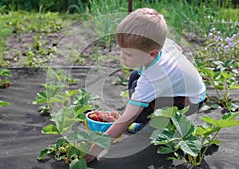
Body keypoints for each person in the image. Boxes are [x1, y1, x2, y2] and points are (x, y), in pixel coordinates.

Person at [84, 7, 206, 163]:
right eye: (122, 51)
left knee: (137, 105)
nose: (122, 57)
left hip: (190, 101)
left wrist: (94, 150)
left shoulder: (152, 79)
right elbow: (177, 48)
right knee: (135, 77)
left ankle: (156, 128)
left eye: (128, 54)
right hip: (190, 90)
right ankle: (148, 120)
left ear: (153, 54)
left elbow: (128, 117)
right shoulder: (163, 43)